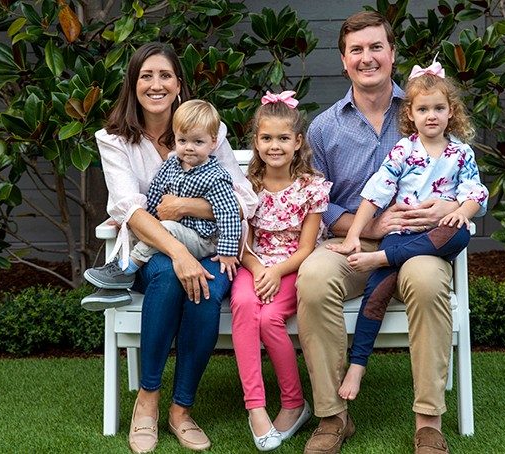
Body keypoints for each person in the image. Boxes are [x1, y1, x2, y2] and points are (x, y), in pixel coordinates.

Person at [296, 11, 467, 454]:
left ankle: (428, 421)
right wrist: (365, 225)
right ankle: (333, 417)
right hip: (352, 240)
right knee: (314, 279)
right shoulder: (324, 127)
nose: (367, 58)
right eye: (357, 50)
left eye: (376, 47)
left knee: (429, 283)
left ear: (392, 54)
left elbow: (463, 177)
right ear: (343, 60)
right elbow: (318, 200)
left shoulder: (424, 108)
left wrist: (450, 207)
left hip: (418, 242)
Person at [83, 42, 257, 453]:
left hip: (214, 245)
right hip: (153, 250)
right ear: (133, 83)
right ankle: (148, 400)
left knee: (208, 291)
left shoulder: (209, 131)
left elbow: (244, 198)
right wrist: (179, 253)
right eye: (147, 76)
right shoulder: (114, 140)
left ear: (179, 83)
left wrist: (185, 206)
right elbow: (130, 210)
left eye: (165, 75)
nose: (156, 84)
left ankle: (182, 409)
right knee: (169, 280)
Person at [327, 59, 488, 402]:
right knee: (376, 294)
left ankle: (382, 259)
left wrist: (461, 210)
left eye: (439, 108)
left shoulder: (461, 154)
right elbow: (376, 191)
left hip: (438, 235)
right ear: (410, 114)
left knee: (460, 231)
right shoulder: (404, 149)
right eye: (423, 109)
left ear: (451, 113)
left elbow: (476, 194)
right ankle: (357, 365)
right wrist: (355, 234)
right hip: (401, 235)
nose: (431, 115)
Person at [230, 91, 330, 451]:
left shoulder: (311, 188)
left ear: (298, 142)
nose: (275, 146)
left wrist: (276, 273)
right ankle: (255, 407)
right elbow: (241, 240)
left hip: (293, 266)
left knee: (270, 318)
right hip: (253, 263)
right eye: (267, 138)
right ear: (256, 141)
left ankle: (293, 403)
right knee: (242, 305)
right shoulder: (246, 186)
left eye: (283, 138)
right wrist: (258, 269)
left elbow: (306, 248)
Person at [81, 99, 242, 305]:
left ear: (213, 142)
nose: (189, 148)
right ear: (175, 139)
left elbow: (229, 213)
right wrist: (136, 219)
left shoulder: (215, 175)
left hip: (203, 239)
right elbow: (155, 194)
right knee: (137, 225)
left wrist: (227, 252)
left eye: (198, 142)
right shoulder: (172, 166)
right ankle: (112, 288)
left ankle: (127, 268)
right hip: (178, 234)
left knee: (164, 227)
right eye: (183, 141)